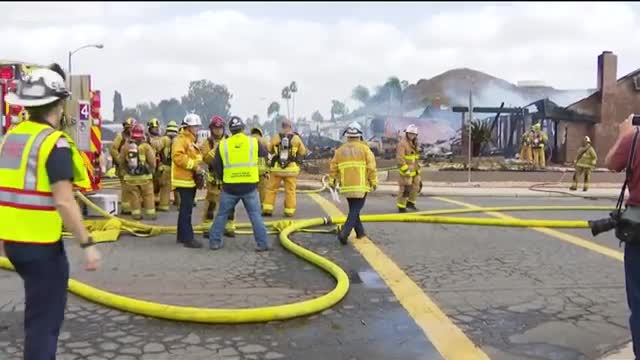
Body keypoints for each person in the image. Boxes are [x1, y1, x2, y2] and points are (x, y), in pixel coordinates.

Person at [0, 64, 101, 359]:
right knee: (44, 325)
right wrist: (87, 243)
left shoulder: (10, 139)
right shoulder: (53, 143)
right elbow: (65, 201)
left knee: (37, 315)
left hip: (14, 244)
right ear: (58, 105)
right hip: (43, 248)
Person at [606, 114, 640, 357]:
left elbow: (611, 163)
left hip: (638, 229)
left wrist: (624, 133)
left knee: (639, 301)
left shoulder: (634, 140)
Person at [208, 116, 269, 251]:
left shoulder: (223, 144)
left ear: (230, 130)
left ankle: (214, 242)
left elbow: (216, 165)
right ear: (243, 128)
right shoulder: (253, 142)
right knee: (255, 215)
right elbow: (264, 154)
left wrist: (223, 178)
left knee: (222, 215)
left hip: (230, 187)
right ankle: (262, 244)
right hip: (249, 186)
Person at [328, 122, 378, 245]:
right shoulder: (365, 149)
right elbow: (371, 168)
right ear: (360, 135)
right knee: (355, 210)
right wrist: (374, 182)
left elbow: (333, 167)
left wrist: (332, 181)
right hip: (361, 186)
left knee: (353, 209)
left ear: (347, 136)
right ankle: (345, 232)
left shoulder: (340, 150)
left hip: (346, 186)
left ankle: (360, 232)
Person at [172, 113, 206, 248]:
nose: (197, 129)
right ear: (188, 127)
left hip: (189, 180)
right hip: (183, 180)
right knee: (187, 210)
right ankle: (188, 238)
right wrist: (194, 166)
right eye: (195, 126)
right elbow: (178, 157)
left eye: (198, 126)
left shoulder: (191, 141)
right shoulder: (181, 140)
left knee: (185, 210)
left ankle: (182, 236)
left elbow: (195, 157)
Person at [262, 119, 307, 217]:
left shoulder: (275, 137)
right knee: (290, 190)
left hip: (277, 169)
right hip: (291, 170)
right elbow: (303, 152)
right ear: (291, 127)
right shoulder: (296, 139)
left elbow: (269, 150)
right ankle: (289, 211)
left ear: (282, 127)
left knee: (271, 189)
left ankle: (267, 209)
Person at [201, 115, 235, 237]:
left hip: (228, 177)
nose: (218, 131)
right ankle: (207, 228)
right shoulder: (208, 143)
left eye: (220, 128)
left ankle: (229, 227)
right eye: (215, 128)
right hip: (214, 179)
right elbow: (206, 159)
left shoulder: (229, 140)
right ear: (211, 129)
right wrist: (216, 148)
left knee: (230, 203)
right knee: (211, 204)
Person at [119, 123, 156, 220]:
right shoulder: (146, 147)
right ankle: (150, 214)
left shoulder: (125, 147)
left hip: (130, 178)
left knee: (134, 197)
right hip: (145, 178)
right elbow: (152, 161)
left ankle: (136, 215)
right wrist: (152, 169)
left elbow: (121, 161)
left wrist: (125, 171)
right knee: (148, 195)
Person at [110, 117, 136, 214]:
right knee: (126, 188)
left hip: (131, 165)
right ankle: (126, 208)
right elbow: (113, 149)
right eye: (130, 127)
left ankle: (132, 206)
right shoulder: (120, 137)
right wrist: (120, 160)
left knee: (131, 187)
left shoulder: (133, 136)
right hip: (123, 167)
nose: (132, 129)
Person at [147, 118, 172, 211]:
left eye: (157, 128)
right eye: (154, 128)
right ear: (150, 128)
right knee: (151, 184)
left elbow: (157, 147)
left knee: (159, 184)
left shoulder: (162, 139)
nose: (156, 130)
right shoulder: (147, 138)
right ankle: (149, 201)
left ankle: (157, 201)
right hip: (150, 164)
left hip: (159, 165)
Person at [396, 124, 421, 212]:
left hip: (415, 170)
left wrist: (418, 168)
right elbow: (400, 158)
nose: (412, 136)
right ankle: (401, 207)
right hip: (406, 172)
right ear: (406, 133)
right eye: (410, 134)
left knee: (416, 187)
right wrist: (405, 170)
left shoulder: (415, 143)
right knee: (405, 190)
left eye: (413, 134)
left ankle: (410, 203)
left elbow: (416, 157)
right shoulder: (402, 144)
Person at [251, 126, 270, 203]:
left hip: (250, 169)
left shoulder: (248, 140)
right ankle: (264, 205)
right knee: (263, 190)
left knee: (251, 191)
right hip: (262, 170)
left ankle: (252, 206)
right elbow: (269, 152)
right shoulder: (264, 140)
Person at [164, 121, 181, 208]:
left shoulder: (163, 139)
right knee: (177, 185)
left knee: (166, 187)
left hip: (166, 165)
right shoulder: (178, 140)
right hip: (176, 166)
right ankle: (178, 202)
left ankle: (164, 204)